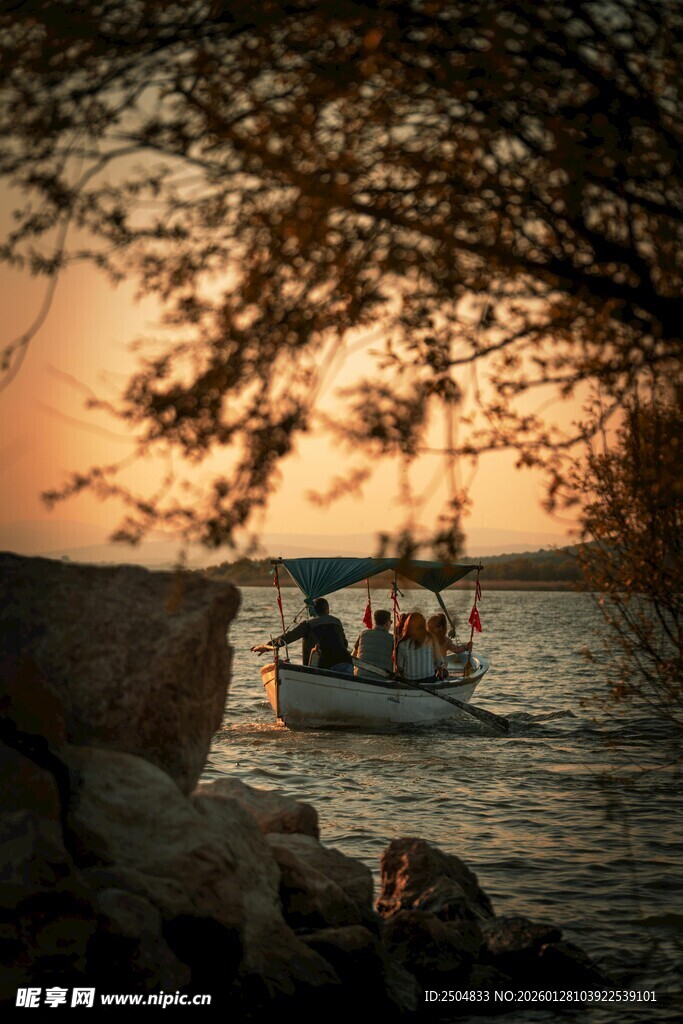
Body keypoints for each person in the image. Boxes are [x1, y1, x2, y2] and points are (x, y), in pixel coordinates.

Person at [274, 597, 353, 673]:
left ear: (313, 610)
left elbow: (289, 637)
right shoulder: (337, 622)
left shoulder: (308, 624)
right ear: (327, 609)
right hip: (345, 663)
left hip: (324, 667)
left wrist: (268, 646)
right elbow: (345, 644)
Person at [395, 612, 444, 682]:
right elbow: (439, 661)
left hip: (410, 681)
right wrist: (440, 673)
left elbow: (400, 667)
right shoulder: (431, 638)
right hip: (429, 679)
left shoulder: (402, 643)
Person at [352, 609, 393, 676]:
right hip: (382, 678)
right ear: (386, 623)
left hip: (360, 675)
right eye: (391, 622)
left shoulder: (363, 634)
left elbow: (353, 656)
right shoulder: (392, 639)